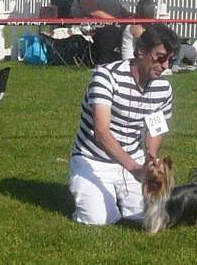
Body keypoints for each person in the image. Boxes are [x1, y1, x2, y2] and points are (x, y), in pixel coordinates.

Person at [69, 23, 181, 226]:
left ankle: (116, 198)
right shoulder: (105, 76)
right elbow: (101, 132)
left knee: (140, 215)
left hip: (134, 160)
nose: (165, 66)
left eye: (170, 61)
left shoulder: (164, 88)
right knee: (98, 219)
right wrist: (134, 168)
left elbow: (156, 127)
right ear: (142, 51)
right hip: (94, 159)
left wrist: (151, 156)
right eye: (161, 58)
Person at [70, 0, 134, 65]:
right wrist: (116, 21)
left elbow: (120, 9)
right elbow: (93, 12)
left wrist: (131, 16)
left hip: (115, 23)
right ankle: (103, 63)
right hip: (93, 26)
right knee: (110, 30)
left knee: (134, 28)